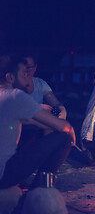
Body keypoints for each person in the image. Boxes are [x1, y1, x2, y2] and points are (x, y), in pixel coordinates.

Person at [0, 55, 75, 189]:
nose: (27, 76)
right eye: (23, 74)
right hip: (4, 174)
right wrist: (69, 132)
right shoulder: (15, 96)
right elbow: (63, 127)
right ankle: (39, 190)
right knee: (64, 137)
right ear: (10, 78)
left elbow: (33, 122)